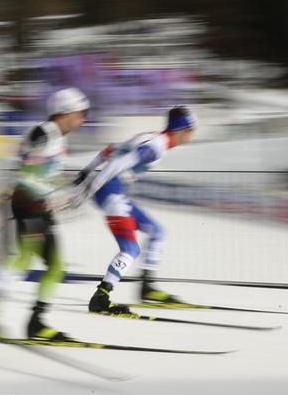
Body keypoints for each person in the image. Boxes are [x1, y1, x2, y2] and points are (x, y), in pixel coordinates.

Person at [0, 88, 89, 341]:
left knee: (30, 263)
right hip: (29, 206)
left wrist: (67, 184)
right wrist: (51, 194)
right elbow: (27, 173)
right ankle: (31, 322)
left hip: (35, 206)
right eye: (81, 113)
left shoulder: (56, 136)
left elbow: (41, 172)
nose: (83, 119)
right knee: (52, 265)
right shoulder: (44, 133)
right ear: (66, 112)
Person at [77, 106, 198, 314]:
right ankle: (101, 297)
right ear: (181, 130)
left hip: (113, 191)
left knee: (157, 232)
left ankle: (147, 288)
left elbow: (109, 150)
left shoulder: (150, 137)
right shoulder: (155, 148)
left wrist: (86, 171)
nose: (193, 136)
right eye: (191, 131)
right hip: (111, 192)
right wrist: (91, 186)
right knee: (130, 249)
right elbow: (118, 163)